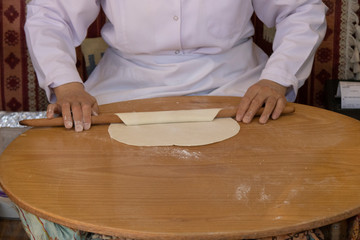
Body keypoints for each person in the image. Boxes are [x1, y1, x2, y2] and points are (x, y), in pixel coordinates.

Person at [22, 0, 331, 239]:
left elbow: (302, 9)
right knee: (79, 182)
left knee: (258, 185)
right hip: (125, 86)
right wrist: (67, 85)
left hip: (236, 83)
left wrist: (275, 81)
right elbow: (51, 15)